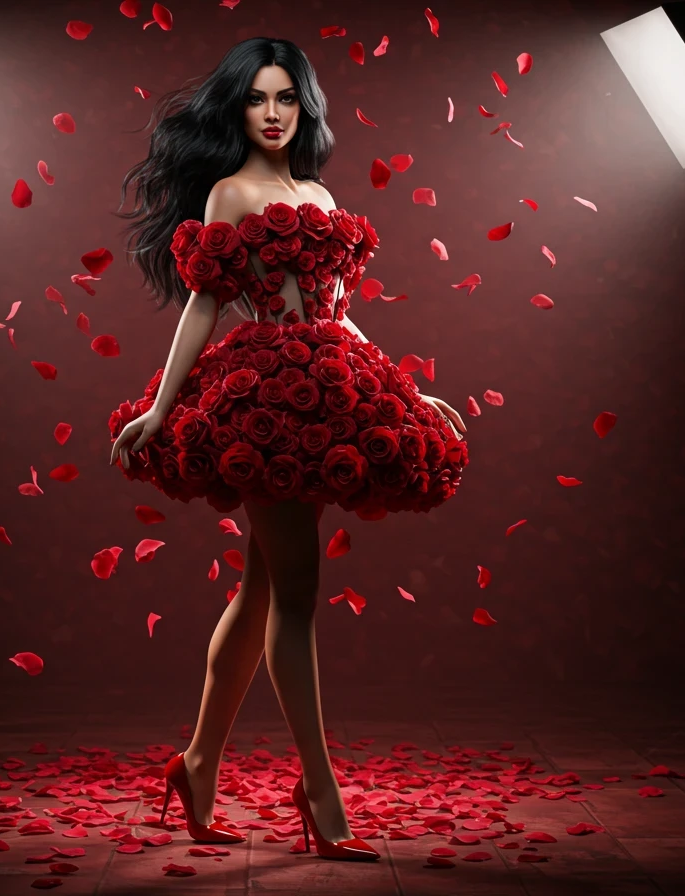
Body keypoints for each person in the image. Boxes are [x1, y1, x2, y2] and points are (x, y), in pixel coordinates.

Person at [108, 37, 468, 861]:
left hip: (333, 385)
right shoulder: (230, 194)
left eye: (286, 100)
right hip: (264, 403)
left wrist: (407, 390)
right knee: (294, 595)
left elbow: (337, 314)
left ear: (304, 109)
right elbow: (202, 307)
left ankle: (198, 766)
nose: (272, 114)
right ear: (236, 108)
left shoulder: (319, 190)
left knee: (265, 589)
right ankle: (319, 787)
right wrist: (163, 408)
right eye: (256, 100)